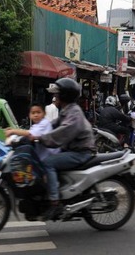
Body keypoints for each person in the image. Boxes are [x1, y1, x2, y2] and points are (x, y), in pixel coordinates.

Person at [28, 78, 96, 220]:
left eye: (57, 95)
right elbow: (52, 125)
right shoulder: (66, 110)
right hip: (72, 149)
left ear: (64, 96)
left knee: (48, 162)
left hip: (80, 152)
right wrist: (33, 132)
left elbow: (62, 133)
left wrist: (40, 138)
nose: (54, 97)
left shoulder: (74, 113)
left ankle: (55, 202)